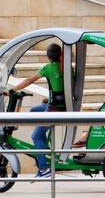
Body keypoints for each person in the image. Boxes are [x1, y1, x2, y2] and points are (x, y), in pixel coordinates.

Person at [10, 42, 65, 178]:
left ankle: (43, 168)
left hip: (55, 109)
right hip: (58, 104)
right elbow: (61, 87)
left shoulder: (49, 67)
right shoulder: (66, 67)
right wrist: (49, 97)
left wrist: (12, 90)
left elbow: (30, 80)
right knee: (34, 111)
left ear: (48, 56)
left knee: (35, 136)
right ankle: (43, 147)